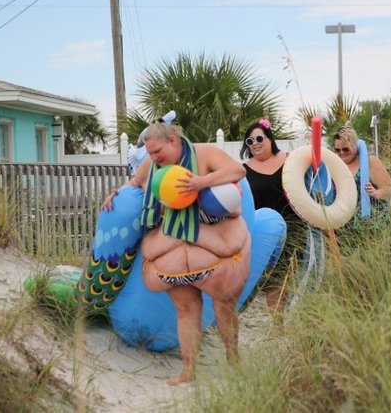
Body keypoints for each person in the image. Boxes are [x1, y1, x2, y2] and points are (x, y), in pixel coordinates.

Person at [101, 121, 248, 386]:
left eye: (158, 151)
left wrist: (201, 182)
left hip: (215, 245)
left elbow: (237, 170)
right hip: (173, 246)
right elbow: (134, 182)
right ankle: (188, 369)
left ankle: (233, 359)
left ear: (173, 140)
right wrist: (115, 193)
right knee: (185, 307)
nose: (154, 158)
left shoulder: (204, 153)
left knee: (224, 305)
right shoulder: (153, 165)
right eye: (150, 153)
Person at [240, 118, 305, 333]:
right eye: (250, 141)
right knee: (275, 277)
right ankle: (278, 323)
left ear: (270, 138)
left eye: (260, 138)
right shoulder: (243, 170)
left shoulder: (289, 160)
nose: (255, 143)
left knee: (297, 274)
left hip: (295, 225)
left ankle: (304, 317)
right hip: (267, 231)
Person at [332, 125, 391, 229]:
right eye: (337, 150)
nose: (341, 153)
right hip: (346, 226)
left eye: (346, 149)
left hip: (374, 223)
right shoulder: (335, 165)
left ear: (356, 146)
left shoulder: (370, 161)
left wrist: (377, 193)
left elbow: (389, 189)